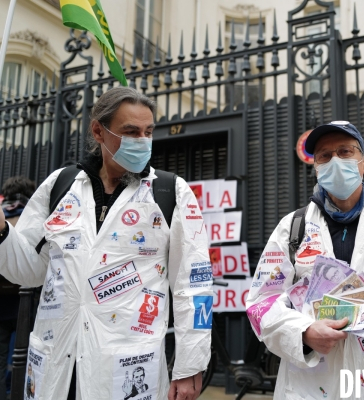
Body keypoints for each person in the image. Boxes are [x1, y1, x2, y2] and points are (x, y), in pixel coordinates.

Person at [0, 87, 212, 400]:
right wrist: (3, 231)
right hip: (58, 367)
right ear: (99, 130)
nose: (141, 140)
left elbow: (193, 286)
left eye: (148, 131)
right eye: (130, 131)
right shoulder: (60, 185)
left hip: (126, 373)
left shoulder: (171, 193)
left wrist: (190, 366)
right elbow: (28, 272)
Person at [246, 121, 364, 399]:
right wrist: (304, 332)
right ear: (317, 168)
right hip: (309, 385)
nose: (335, 161)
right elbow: (262, 301)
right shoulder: (293, 227)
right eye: (324, 155)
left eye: (345, 152)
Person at [0, 176, 35, 400]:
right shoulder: (32, 215)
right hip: (27, 303)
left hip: (2, 304)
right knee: (26, 364)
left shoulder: (3, 215)